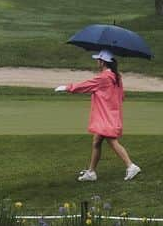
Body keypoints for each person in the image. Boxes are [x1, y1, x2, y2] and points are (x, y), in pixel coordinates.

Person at [55, 49, 141, 182]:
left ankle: (131, 166)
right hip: (111, 113)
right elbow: (121, 96)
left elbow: (86, 85)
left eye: (98, 60)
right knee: (96, 142)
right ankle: (91, 172)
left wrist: (67, 88)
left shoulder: (104, 77)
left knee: (112, 141)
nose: (96, 61)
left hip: (105, 115)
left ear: (103, 62)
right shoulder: (116, 76)